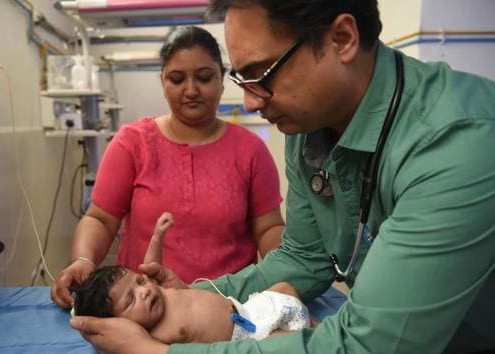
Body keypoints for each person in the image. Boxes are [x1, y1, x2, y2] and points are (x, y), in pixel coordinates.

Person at [70, 1, 495, 353]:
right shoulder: (309, 127)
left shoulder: (457, 143)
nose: (252, 102)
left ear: (342, 38)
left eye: (262, 74)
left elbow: (369, 346)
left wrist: (158, 352)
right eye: (242, 78)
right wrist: (192, 298)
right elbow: (304, 257)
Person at [51, 25, 285, 309]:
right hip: (142, 307)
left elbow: (269, 227)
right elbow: (100, 218)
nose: (191, 90)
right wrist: (83, 260)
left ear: (222, 80)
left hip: (226, 307)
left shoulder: (250, 150)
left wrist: (281, 279)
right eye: (176, 79)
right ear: (162, 82)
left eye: (204, 77)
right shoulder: (132, 143)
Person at [71, 212, 311, 343]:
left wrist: (158, 235)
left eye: (140, 282)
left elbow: (150, 267)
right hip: (250, 339)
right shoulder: (153, 336)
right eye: (130, 301)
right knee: (297, 342)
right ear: (121, 323)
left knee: (285, 288)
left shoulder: (159, 292)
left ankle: (319, 326)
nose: (143, 291)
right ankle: (320, 337)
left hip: (246, 310)